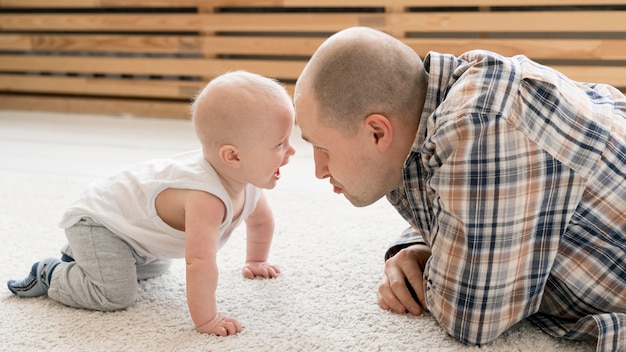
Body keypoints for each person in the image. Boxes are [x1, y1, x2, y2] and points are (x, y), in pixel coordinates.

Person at [294, 26, 625, 351]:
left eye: (322, 147)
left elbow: (470, 317)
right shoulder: (450, 96)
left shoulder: (480, 127)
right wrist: (417, 247)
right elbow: (452, 195)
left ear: (378, 132)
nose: (319, 171)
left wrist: (438, 258)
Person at [7, 70, 296, 336]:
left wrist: (256, 261)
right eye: (279, 144)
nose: (292, 151)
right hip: (100, 222)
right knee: (115, 295)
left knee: (157, 268)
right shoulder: (205, 198)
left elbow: (260, 222)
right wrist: (206, 319)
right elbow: (199, 262)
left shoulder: (247, 180)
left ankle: (86, 257)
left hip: (132, 234)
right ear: (232, 156)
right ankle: (51, 272)